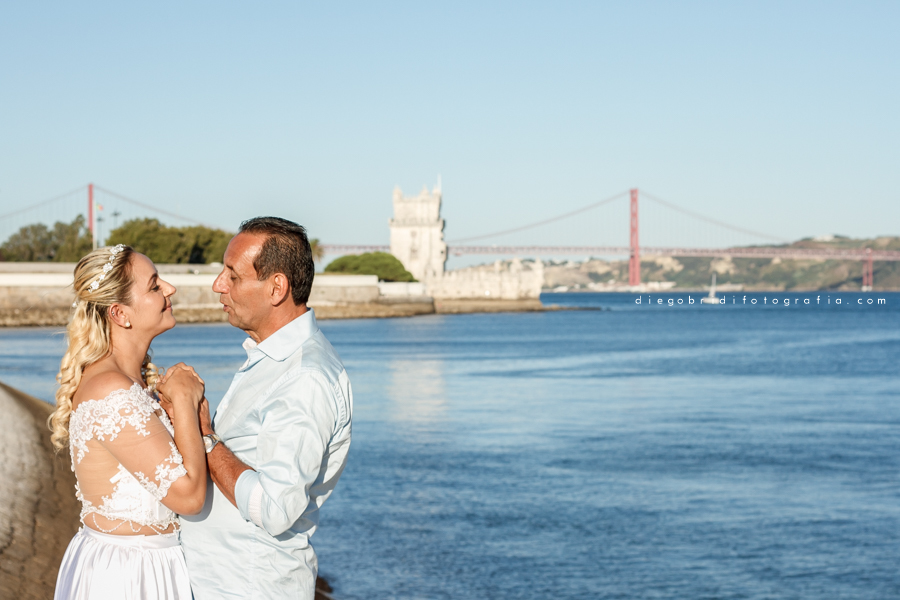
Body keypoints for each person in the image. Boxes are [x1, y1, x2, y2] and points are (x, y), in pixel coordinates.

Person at [177, 217, 353, 599]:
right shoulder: (274, 361)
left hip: (250, 586)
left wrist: (205, 437)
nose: (218, 286)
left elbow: (276, 508)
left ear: (277, 288)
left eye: (233, 276)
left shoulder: (305, 377)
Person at [49, 244, 208, 599]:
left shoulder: (131, 383)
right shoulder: (111, 392)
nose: (170, 289)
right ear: (121, 314)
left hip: (147, 563)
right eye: (154, 285)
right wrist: (184, 402)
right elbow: (189, 496)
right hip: (127, 575)